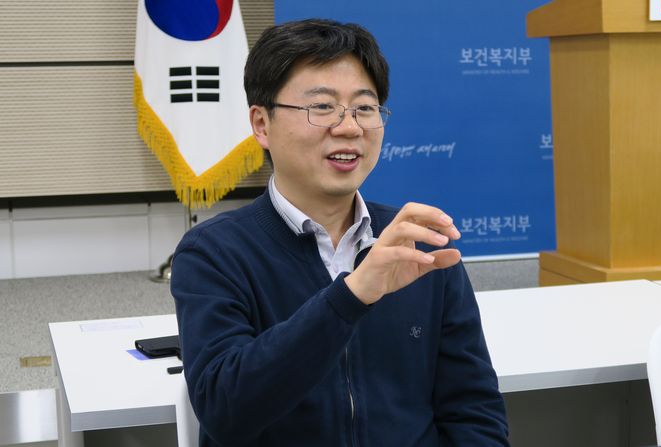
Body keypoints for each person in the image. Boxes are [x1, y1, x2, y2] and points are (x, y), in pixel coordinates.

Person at [171, 18, 509, 447]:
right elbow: (225, 411)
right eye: (322, 106)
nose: (349, 127)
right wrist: (350, 297)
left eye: (365, 108)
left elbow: (474, 411)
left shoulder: (417, 243)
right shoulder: (213, 253)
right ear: (261, 124)